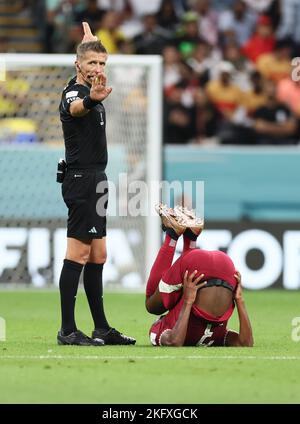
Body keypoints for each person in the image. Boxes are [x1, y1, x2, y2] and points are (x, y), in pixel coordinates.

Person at [57, 22, 136, 346]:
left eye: (102, 63)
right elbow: (76, 108)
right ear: (78, 65)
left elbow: (87, 69)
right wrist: (92, 99)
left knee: (99, 254)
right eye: (91, 63)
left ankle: (101, 328)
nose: (97, 68)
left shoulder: (89, 86)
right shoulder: (76, 93)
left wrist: (91, 44)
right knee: (78, 253)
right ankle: (67, 330)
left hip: (96, 180)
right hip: (81, 180)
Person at [146, 204, 253, 347]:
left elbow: (175, 341)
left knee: (153, 304)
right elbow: (246, 343)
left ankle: (178, 235)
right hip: (223, 265)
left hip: (221, 267)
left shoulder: (160, 330)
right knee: (154, 305)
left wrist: (188, 301)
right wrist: (239, 299)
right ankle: (185, 236)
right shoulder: (219, 337)